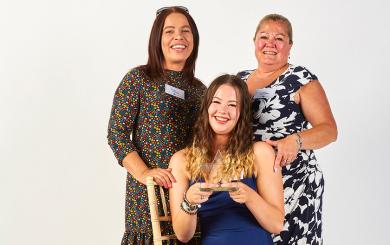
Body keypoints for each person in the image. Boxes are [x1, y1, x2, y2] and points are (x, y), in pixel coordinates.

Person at [107, 6, 206, 245]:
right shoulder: (138, 79)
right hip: (146, 198)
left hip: (189, 199)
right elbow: (116, 134)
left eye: (185, 31)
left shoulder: (201, 90)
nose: (178, 37)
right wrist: (143, 173)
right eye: (169, 31)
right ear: (157, 39)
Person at [237, 14, 338, 244]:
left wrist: (296, 140)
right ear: (254, 41)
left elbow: (329, 130)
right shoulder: (239, 80)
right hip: (253, 182)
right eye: (264, 36)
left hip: (295, 183)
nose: (270, 43)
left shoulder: (300, 78)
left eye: (279, 38)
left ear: (290, 46)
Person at [169, 74, 284, 245]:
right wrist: (189, 201)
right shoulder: (182, 160)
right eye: (216, 102)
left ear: (241, 113)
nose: (222, 110)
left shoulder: (260, 152)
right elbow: (183, 235)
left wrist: (250, 197)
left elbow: (276, 224)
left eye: (232, 105)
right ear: (206, 106)